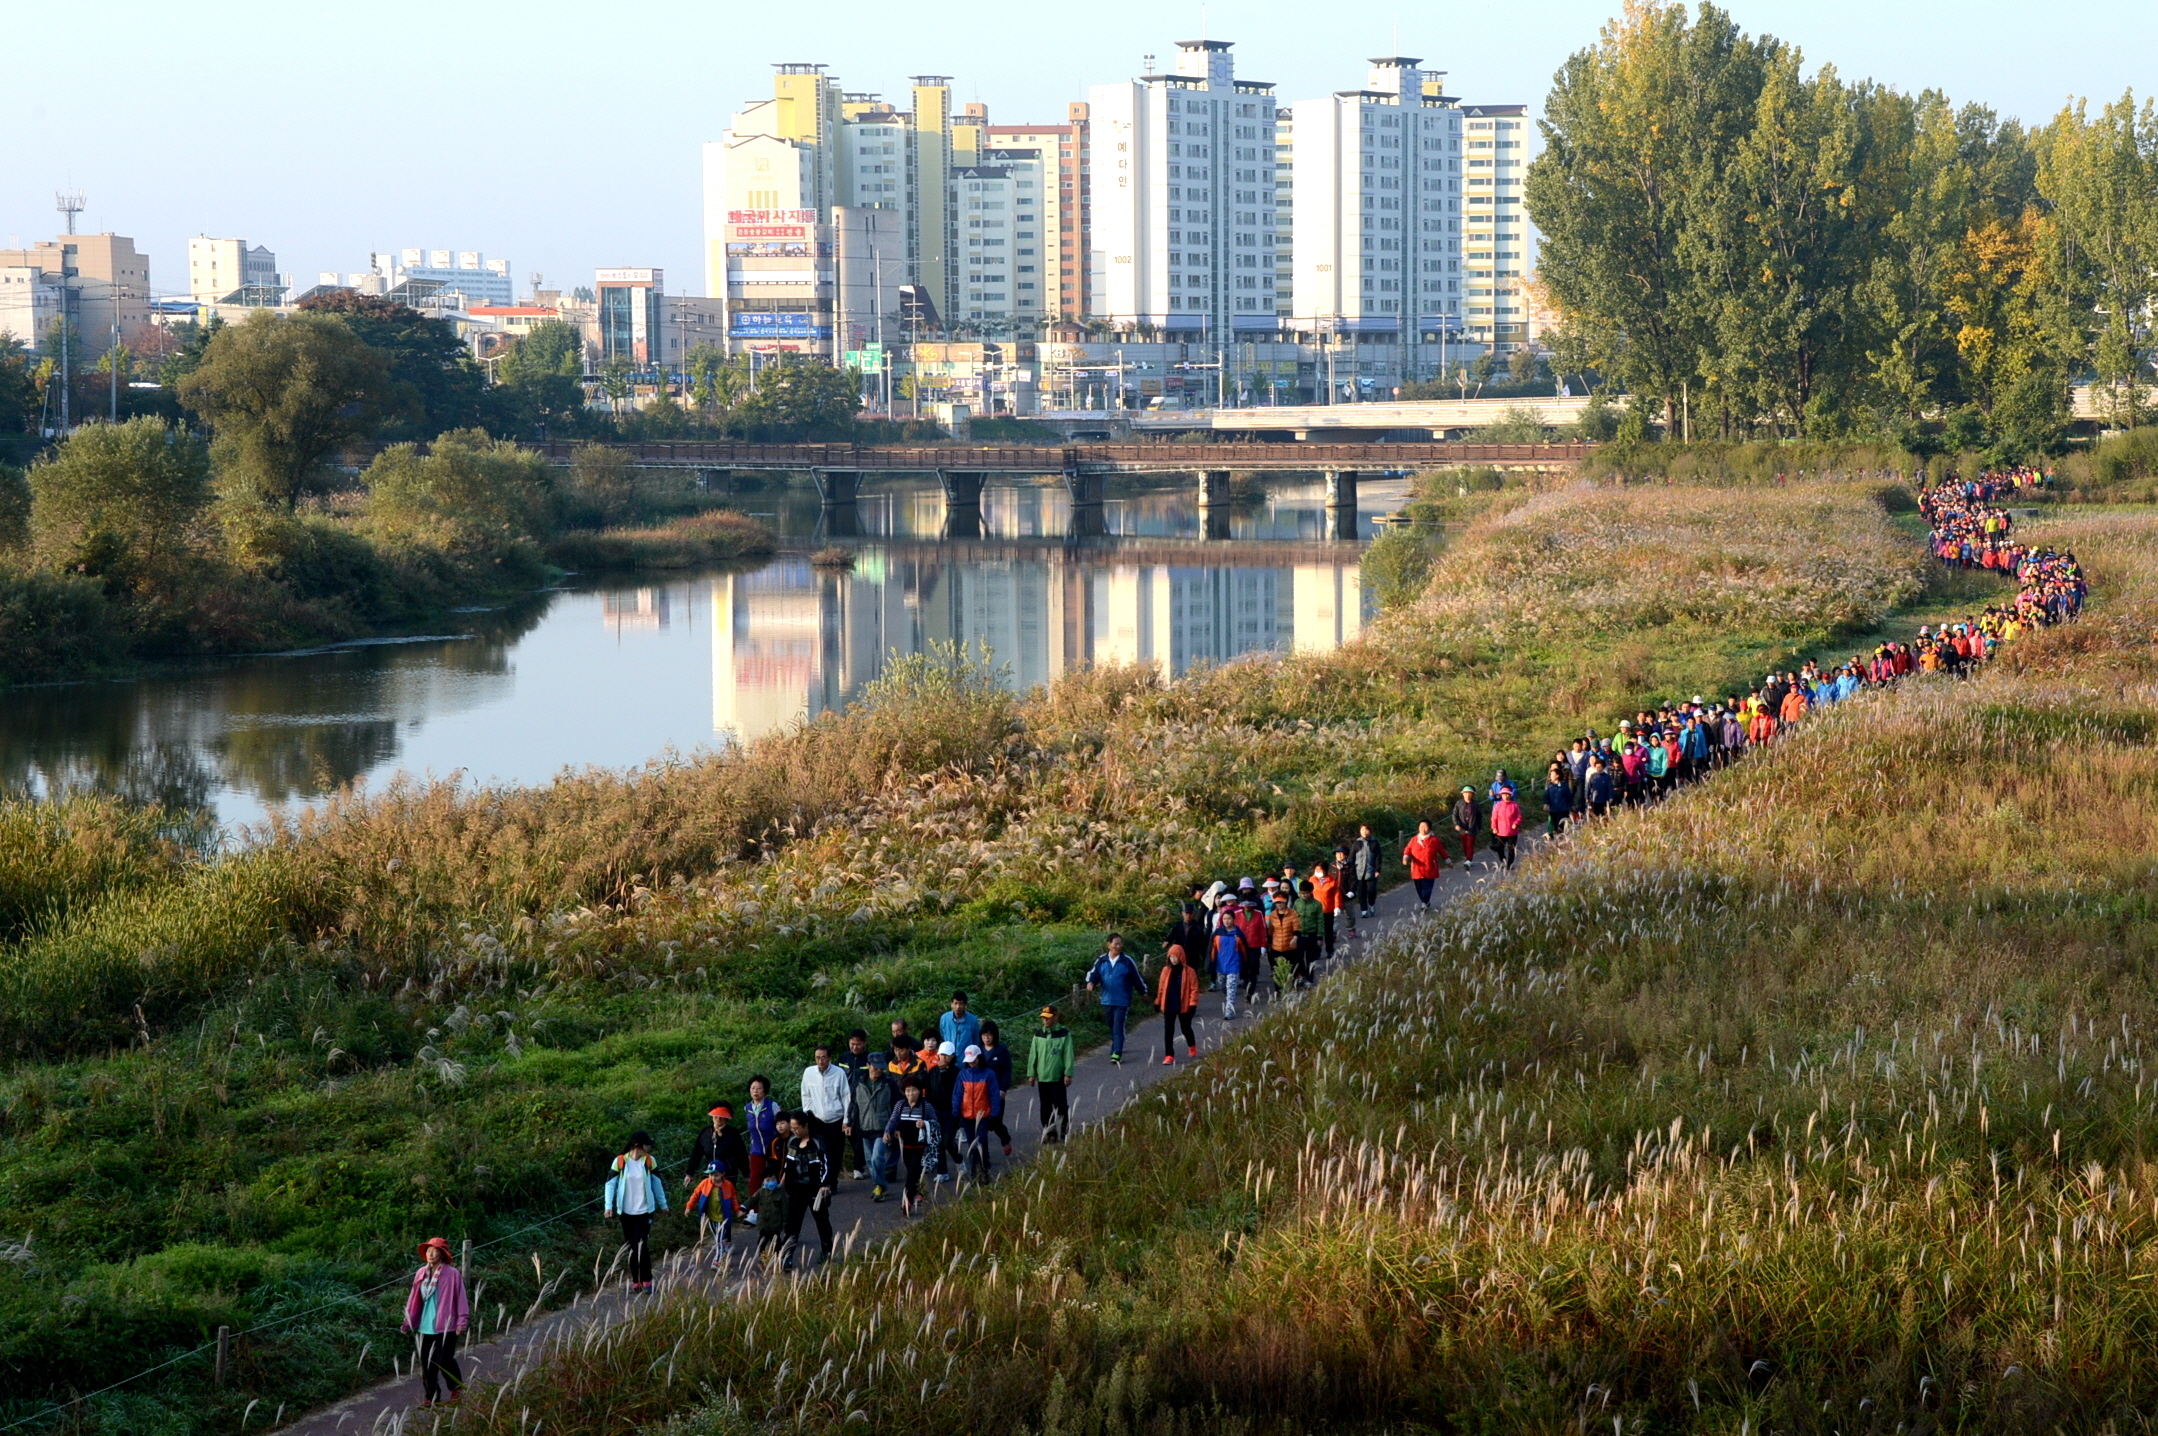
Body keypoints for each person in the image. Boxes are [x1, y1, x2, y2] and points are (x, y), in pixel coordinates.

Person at [401, 1237, 470, 1408]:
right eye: (428, 1251)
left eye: (435, 1251)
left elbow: (461, 1298)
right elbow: (413, 1299)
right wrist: (408, 1321)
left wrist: (462, 1321)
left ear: (442, 1254)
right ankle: (431, 1396)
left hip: (446, 1325)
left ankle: (456, 1389)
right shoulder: (421, 1273)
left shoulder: (452, 1273)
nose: (431, 1254)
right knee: (427, 1364)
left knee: (444, 1359)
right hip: (426, 1326)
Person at [603, 1132, 666, 1292]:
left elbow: (657, 1183)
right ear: (638, 1145)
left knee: (641, 1245)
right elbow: (610, 1184)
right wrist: (608, 1206)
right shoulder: (620, 1161)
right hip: (626, 1212)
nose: (649, 1147)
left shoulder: (650, 1161)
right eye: (647, 1144)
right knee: (631, 1246)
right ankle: (636, 1281)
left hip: (645, 1211)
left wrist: (663, 1204)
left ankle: (647, 1280)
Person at [778, 1112, 835, 1269]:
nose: (794, 1131)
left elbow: (826, 1165)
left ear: (805, 1126)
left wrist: (824, 1185)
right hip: (795, 1190)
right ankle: (786, 1257)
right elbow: (787, 1166)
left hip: (815, 1190)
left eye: (797, 1128)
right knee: (792, 1225)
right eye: (793, 1128)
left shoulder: (818, 1142)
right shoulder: (793, 1142)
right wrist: (781, 1185)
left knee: (822, 1221)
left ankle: (827, 1250)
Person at [882, 1074, 944, 1215]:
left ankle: (907, 1201)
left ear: (920, 1091)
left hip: (920, 1147)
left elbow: (936, 1124)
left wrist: (925, 1124)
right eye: (908, 1091)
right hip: (905, 1146)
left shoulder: (926, 1106)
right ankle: (918, 1192)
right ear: (904, 1092)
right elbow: (893, 1120)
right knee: (912, 1172)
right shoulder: (900, 1105)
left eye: (914, 1090)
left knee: (912, 1174)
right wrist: (888, 1133)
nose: (911, 1093)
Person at [1086, 935, 1145, 1065]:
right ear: (1109, 945)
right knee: (1111, 1026)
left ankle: (1117, 1052)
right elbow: (1094, 974)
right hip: (1107, 1000)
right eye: (1116, 944)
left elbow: (1136, 979)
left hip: (1122, 1000)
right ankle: (1115, 1045)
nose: (1118, 947)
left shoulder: (1127, 961)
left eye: (1120, 944)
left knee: (1118, 1026)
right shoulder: (1102, 960)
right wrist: (1091, 983)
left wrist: (1143, 992)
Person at [799, 1044, 850, 1188]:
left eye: (823, 1058)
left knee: (835, 1153)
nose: (820, 1061)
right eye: (817, 1058)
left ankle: (832, 1181)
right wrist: (809, 1114)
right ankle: (821, 1181)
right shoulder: (809, 1072)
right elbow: (805, 1094)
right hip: (816, 1120)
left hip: (836, 1119)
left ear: (830, 1058)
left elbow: (846, 1096)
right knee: (819, 1152)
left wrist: (846, 1119)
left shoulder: (839, 1073)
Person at [851, 1052, 898, 1202]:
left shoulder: (889, 1084)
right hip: (865, 1127)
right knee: (870, 1161)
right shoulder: (859, 1083)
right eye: (875, 1067)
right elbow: (854, 1106)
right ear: (869, 1065)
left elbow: (897, 1105)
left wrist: (895, 1127)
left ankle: (879, 1185)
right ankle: (881, 1186)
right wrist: (850, 1123)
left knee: (877, 1157)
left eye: (881, 1067)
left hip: (883, 1128)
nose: (879, 1070)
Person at [954, 1044, 1005, 1179]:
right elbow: (958, 1094)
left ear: (979, 1058)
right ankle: (975, 1172)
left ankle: (983, 1170)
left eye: (973, 1059)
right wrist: (956, 1112)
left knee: (981, 1143)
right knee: (972, 1145)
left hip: (983, 1116)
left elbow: (994, 1095)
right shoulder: (962, 1074)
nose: (971, 1063)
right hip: (967, 1116)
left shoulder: (989, 1074)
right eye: (969, 1060)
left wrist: (994, 1113)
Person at [1027, 1005, 1076, 1142]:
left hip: (1058, 1077)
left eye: (1048, 1018)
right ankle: (1049, 1130)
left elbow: (1068, 1055)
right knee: (1045, 1107)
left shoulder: (1064, 1034)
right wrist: (1032, 1074)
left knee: (1060, 1105)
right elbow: (1033, 1055)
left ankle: (1063, 1127)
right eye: (1043, 1018)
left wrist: (1068, 1073)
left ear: (1055, 1017)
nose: (1045, 1021)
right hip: (1043, 1078)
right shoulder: (1038, 1035)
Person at [683, 1161, 737, 1267]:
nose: (713, 1177)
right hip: (711, 1217)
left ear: (722, 1174)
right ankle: (724, 1249)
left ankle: (718, 1261)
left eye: (716, 1175)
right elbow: (695, 1195)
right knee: (718, 1238)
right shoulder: (704, 1183)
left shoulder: (728, 1185)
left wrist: (737, 1209)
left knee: (718, 1241)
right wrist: (689, 1206)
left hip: (723, 1218)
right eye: (711, 1174)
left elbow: (733, 1199)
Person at [833, 1030, 871, 1178]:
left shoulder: (868, 1058)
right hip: (844, 1100)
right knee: (849, 1133)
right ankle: (859, 1161)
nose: (855, 1047)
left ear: (864, 1043)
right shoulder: (843, 1057)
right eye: (852, 1044)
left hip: (862, 1101)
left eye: (858, 1044)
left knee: (860, 1133)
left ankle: (858, 1167)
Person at [1156, 943, 1200, 1063]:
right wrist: (1158, 1001)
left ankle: (1192, 1045)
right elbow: (1161, 988)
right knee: (1168, 1030)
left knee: (1185, 1028)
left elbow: (1194, 989)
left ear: (1181, 957)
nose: (1174, 959)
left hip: (1183, 1005)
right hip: (1169, 1004)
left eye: (1176, 957)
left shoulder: (1189, 971)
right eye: (1171, 957)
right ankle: (1169, 1055)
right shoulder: (1166, 970)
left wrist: (1193, 1004)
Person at [688, 1105, 748, 1195]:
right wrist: (689, 1173)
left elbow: (741, 1154)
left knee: (726, 1200)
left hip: (728, 1174)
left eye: (721, 1117)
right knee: (708, 1199)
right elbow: (696, 1153)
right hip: (710, 1173)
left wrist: (746, 1174)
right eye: (716, 1116)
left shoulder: (733, 1133)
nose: (718, 1119)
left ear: (726, 1119)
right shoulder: (705, 1132)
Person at [977, 1020, 1016, 1157]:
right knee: (983, 1124)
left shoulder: (1002, 1050)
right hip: (981, 1093)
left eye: (989, 1035)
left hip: (996, 1092)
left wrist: (1003, 1089)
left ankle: (1005, 1139)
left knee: (996, 1122)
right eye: (984, 1035)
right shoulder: (977, 1050)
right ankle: (983, 1154)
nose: (987, 1038)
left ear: (995, 1035)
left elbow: (1007, 1071)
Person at [927, 1041, 963, 1178]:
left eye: (947, 1055)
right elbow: (929, 1090)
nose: (943, 1058)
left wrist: (943, 1073)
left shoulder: (957, 1072)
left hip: (951, 1111)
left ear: (953, 1056)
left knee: (948, 1141)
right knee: (938, 1141)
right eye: (941, 1055)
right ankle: (942, 1172)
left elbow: (953, 1090)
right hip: (936, 1111)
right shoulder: (933, 1071)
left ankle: (958, 1159)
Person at [742, 1076, 781, 1189]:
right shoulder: (747, 1108)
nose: (755, 1091)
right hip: (756, 1149)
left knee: (774, 1176)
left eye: (759, 1088)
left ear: (765, 1090)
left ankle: (777, 1203)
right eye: (753, 1088)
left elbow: (781, 1123)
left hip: (773, 1148)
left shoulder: (772, 1106)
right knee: (755, 1179)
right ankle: (753, 1206)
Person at [1212, 904, 1245, 1020]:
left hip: (1234, 967)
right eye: (1224, 919)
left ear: (1233, 919)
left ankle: (1229, 1012)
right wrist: (1211, 963)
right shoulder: (1218, 933)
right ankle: (1228, 1000)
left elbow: (1244, 951)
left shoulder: (1239, 934)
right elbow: (1212, 950)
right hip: (1220, 967)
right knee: (1223, 986)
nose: (1226, 921)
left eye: (1229, 919)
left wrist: (1245, 965)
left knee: (1231, 990)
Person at [1291, 879, 1325, 987]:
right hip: (1300, 935)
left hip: (1312, 935)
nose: (1304, 895)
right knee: (1298, 957)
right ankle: (1301, 975)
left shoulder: (1317, 904)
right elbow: (1294, 918)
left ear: (1311, 892)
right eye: (1302, 893)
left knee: (1311, 959)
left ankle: (1310, 979)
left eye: (1306, 893)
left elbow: (1320, 920)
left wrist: (1320, 937)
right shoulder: (1297, 903)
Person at [1403, 819, 1443, 908]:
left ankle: (1424, 902)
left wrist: (1448, 860)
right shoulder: (1414, 839)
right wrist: (1405, 857)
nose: (1422, 829)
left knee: (1427, 886)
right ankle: (1425, 901)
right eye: (1421, 827)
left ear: (1429, 828)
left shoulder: (1434, 840)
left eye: (1425, 827)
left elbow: (1442, 851)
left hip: (1430, 868)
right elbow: (1408, 849)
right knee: (1419, 887)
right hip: (1417, 868)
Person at [746, 1174, 788, 1257]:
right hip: (763, 1223)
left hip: (775, 1224)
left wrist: (785, 1222)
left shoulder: (780, 1193)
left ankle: (777, 1258)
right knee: (762, 1241)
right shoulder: (761, 1192)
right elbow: (752, 1200)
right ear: (763, 1182)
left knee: (776, 1243)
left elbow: (785, 1208)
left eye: (773, 1179)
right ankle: (761, 1257)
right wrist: (744, 1207)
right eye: (768, 1180)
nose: (771, 1182)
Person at [1350, 824, 1383, 918]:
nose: (1365, 831)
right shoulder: (1357, 843)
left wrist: (1377, 869)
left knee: (1372, 891)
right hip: (1359, 872)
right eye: (1362, 830)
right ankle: (1364, 910)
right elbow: (1351, 858)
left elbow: (1378, 857)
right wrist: (1351, 870)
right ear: (1360, 831)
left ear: (1370, 831)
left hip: (1371, 871)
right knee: (1361, 892)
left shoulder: (1375, 842)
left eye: (1366, 830)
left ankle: (1371, 904)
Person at [940, 991, 982, 1059]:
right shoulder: (944, 1018)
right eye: (955, 1003)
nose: (958, 1007)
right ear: (951, 1004)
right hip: (949, 1060)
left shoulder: (973, 1020)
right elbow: (942, 1036)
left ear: (965, 1005)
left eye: (961, 1004)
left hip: (966, 1060)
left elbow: (976, 1041)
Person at [1489, 786, 1523, 869]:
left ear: (1510, 795)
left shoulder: (1514, 805)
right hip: (1501, 831)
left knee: (1511, 849)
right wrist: (1494, 827)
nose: (1505, 796)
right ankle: (1503, 860)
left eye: (1507, 794)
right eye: (1503, 794)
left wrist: (1516, 823)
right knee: (1500, 848)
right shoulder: (1498, 805)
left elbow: (1519, 816)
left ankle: (1509, 864)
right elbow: (1494, 818)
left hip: (1512, 832)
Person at [1451, 787, 1484, 867]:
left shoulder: (1475, 804)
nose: (1467, 795)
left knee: (1470, 844)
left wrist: (1480, 827)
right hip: (1462, 827)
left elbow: (1479, 816)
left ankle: (1469, 860)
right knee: (1464, 844)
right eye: (1465, 793)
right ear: (1463, 794)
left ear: (1472, 795)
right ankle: (1467, 859)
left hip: (1472, 827)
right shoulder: (1459, 803)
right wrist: (1456, 824)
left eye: (1469, 793)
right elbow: (1455, 815)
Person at [1542, 766, 1572, 837]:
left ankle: (1562, 840)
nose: (1551, 776)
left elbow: (1569, 797)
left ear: (1557, 775)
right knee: (1555, 827)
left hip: (1563, 810)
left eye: (1552, 775)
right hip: (1553, 810)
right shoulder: (1550, 786)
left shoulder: (1564, 785)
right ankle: (1557, 841)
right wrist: (1546, 804)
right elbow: (1547, 796)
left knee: (1561, 827)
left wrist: (1572, 805)